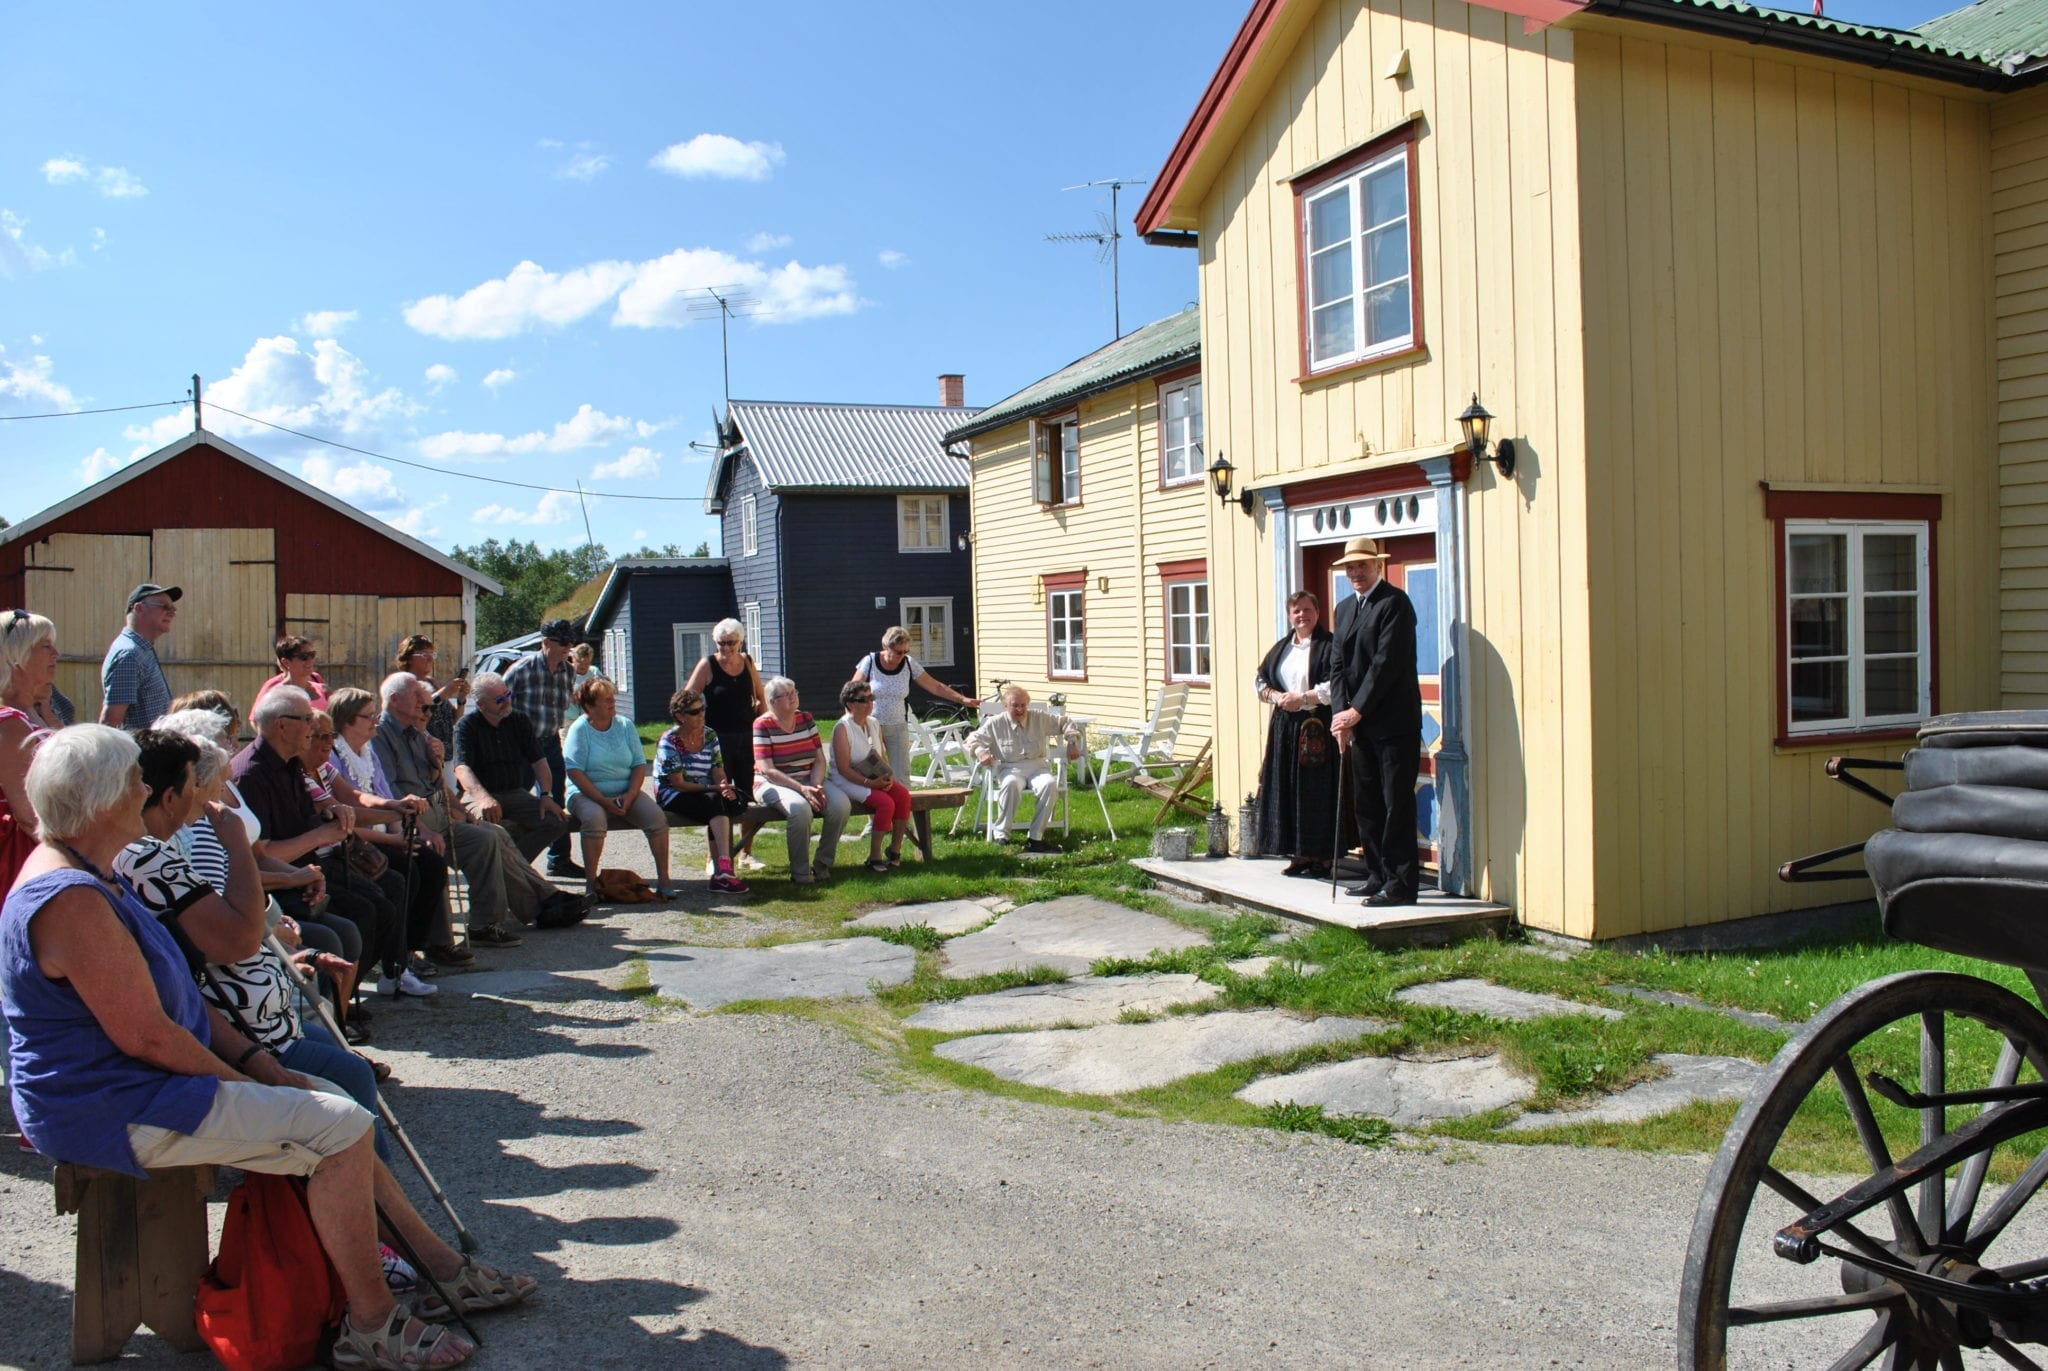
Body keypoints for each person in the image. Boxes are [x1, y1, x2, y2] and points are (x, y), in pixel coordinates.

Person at [0, 724, 480, 1370]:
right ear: (104, 801)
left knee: (336, 1101)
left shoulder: (91, 869)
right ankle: (371, 1320)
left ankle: (435, 1267)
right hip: (105, 1104)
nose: (149, 789)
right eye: (136, 781)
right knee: (336, 1127)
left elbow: (181, 1005)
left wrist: (258, 1066)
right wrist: (244, 1080)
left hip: (134, 1083)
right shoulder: (72, 898)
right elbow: (145, 1033)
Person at [374, 673, 572, 945]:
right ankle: (532, 907)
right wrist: (430, 824)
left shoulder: (417, 734)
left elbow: (437, 784)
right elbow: (390, 792)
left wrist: (439, 767)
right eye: (418, 696)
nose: (425, 703)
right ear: (395, 701)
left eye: (507, 696)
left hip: (445, 810)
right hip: (412, 821)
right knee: (487, 838)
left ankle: (507, 916)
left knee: (495, 835)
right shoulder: (381, 737)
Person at [232, 686, 400, 1005]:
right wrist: (322, 836)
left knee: (382, 901)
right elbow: (263, 854)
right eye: (307, 720)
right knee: (354, 922)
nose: (313, 727)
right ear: (281, 725)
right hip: (277, 887)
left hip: (307, 876)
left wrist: (332, 809)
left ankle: (343, 1005)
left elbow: (331, 801)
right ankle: (329, 1010)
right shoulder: (252, 774)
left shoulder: (290, 764)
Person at [330, 687, 469, 973]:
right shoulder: (334, 756)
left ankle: (410, 948)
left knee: (429, 862)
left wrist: (404, 835)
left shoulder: (368, 753)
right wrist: (394, 838)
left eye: (374, 715)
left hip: (383, 834)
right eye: (368, 716)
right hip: (356, 842)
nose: (375, 721)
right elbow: (347, 818)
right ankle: (394, 958)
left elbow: (385, 798)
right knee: (405, 873)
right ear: (346, 721)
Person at [303, 711, 442, 998]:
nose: (328, 743)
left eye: (330, 736)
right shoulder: (302, 776)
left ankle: (397, 967)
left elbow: (353, 797)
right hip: (321, 860)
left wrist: (393, 805)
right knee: (373, 906)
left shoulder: (325, 769)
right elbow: (341, 812)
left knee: (404, 877)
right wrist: (392, 822)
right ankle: (345, 993)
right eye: (321, 737)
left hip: (345, 850)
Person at [1327, 536, 1424, 907]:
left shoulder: (1395, 604)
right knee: (1366, 803)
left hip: (1393, 723)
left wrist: (1358, 709)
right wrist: (1341, 717)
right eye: (1350, 568)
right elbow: (1337, 666)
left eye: (1362, 566)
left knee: (1395, 803)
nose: (1356, 573)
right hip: (1359, 724)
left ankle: (1400, 884)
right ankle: (1376, 874)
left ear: (1377, 567)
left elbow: (1386, 665)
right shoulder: (1345, 608)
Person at [1254, 591, 1340, 878]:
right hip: (1285, 727)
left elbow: (1335, 686)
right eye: (1296, 611)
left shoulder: (1330, 646)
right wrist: (1276, 696)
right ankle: (1299, 853)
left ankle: (1322, 857)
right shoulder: (1281, 648)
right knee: (1288, 788)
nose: (1302, 615)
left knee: (1315, 791)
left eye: (1307, 610)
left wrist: (1302, 698)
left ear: (1317, 612)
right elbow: (1261, 679)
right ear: (1289, 616)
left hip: (1315, 726)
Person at [563, 677, 673, 899]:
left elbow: (639, 764)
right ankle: (591, 885)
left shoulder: (625, 725)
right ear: (589, 706)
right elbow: (574, 771)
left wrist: (631, 795)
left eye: (612, 696)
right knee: (594, 819)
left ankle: (664, 880)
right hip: (586, 793)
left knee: (656, 818)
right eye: (605, 699)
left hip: (625, 791)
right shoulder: (579, 729)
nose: (612, 701)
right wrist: (604, 802)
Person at [452, 671, 570, 861]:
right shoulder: (466, 726)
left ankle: (513, 868)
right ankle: (509, 873)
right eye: (499, 699)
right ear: (481, 705)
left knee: (556, 821)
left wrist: (546, 795)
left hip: (514, 792)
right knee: (491, 829)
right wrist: (483, 799)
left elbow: (539, 760)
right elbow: (462, 768)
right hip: (478, 794)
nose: (507, 702)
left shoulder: (519, 720)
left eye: (508, 695)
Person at [682, 618, 767, 871]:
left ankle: (745, 853)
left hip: (747, 736)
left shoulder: (747, 662)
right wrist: (695, 728)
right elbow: (688, 698)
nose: (726, 648)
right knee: (720, 795)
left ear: (740, 642)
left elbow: (760, 696)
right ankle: (715, 856)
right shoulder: (707, 664)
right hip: (717, 740)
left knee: (747, 795)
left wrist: (764, 729)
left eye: (731, 643)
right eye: (721, 643)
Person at [653, 689, 750, 894]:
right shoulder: (669, 741)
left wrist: (723, 786)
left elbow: (717, 769)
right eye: (695, 711)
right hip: (673, 794)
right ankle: (724, 870)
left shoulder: (710, 734)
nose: (701, 714)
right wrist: (714, 788)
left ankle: (721, 873)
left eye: (703, 708)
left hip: (707, 794)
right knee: (715, 802)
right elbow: (677, 783)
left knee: (722, 801)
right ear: (680, 716)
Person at [752, 677, 847, 885]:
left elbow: (820, 759)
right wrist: (802, 789)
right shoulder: (762, 724)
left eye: (794, 691)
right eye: (788, 694)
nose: (794, 697)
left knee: (841, 805)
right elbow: (767, 769)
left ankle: (823, 863)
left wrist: (816, 784)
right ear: (773, 701)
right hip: (772, 783)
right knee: (799, 809)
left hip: (808, 777)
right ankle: (800, 873)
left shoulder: (805, 718)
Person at [506, 619, 580, 878]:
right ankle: (507, 857)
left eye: (570, 643)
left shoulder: (568, 672)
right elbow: (499, 706)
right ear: (545, 642)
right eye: (563, 642)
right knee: (514, 800)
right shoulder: (521, 670)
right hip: (521, 747)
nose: (568, 648)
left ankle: (559, 859)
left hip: (550, 742)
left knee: (555, 800)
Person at [966, 685, 1079, 853]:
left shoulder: (1039, 718)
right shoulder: (995, 723)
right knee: (1010, 785)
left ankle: (1035, 838)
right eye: (1015, 705)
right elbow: (972, 738)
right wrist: (980, 751)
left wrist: (1072, 742)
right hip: (1010, 768)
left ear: (1028, 704)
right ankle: (1002, 835)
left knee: (1049, 785)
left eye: (1023, 705)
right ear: (1006, 706)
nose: (1020, 709)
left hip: (1038, 766)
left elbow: (1066, 722)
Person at [852, 626, 979, 775]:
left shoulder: (909, 663)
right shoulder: (870, 662)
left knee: (901, 774)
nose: (902, 656)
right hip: (870, 726)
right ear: (886, 646)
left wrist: (963, 699)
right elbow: (853, 692)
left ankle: (903, 798)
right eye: (898, 652)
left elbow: (936, 686)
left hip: (898, 727)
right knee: (872, 771)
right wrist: (851, 723)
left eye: (906, 651)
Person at [829, 678, 913, 872]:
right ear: (850, 704)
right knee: (885, 803)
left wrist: (887, 776)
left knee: (902, 795)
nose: (869, 703)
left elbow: (881, 756)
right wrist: (870, 783)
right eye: (863, 700)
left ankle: (895, 849)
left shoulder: (874, 723)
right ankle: (874, 856)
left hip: (873, 776)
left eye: (871, 698)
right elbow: (843, 768)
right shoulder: (842, 728)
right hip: (847, 779)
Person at [1, 610, 58, 891]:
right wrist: (79, 856)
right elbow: (28, 814)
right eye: (45, 646)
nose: (56, 654)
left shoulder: (34, 713)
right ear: (16, 656)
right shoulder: (8, 724)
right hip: (21, 858)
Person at [99, 583, 179, 731]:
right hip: (141, 752)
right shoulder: (130, 654)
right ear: (139, 608)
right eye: (165, 607)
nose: (172, 613)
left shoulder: (141, 649)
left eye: (173, 608)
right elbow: (111, 721)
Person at [394, 634, 470, 757]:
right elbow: (417, 713)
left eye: (432, 654)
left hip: (445, 753)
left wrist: (461, 699)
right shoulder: (405, 683)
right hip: (422, 754)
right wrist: (443, 693)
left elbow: (454, 718)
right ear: (409, 657)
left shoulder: (432, 683)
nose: (430, 659)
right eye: (424, 655)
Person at [253, 635, 330, 714]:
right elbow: (257, 719)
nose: (310, 661)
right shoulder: (276, 694)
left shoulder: (322, 689)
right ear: (286, 662)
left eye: (312, 655)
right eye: (303, 657)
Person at [566, 643, 605, 725]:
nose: (583, 667)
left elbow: (606, 689)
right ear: (573, 658)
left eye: (587, 663)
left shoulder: (594, 672)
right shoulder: (564, 672)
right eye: (580, 662)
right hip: (569, 719)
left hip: (590, 719)